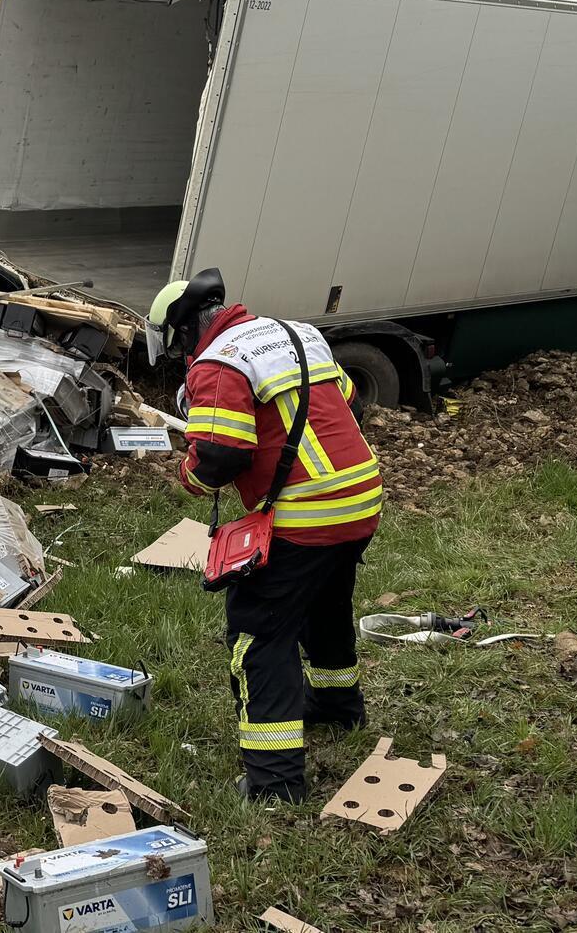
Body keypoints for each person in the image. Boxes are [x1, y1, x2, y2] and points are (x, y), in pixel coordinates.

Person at [147, 268, 383, 804]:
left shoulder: (217, 363)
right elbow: (349, 403)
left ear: (183, 332)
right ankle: (337, 707)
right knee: (325, 606)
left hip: (307, 514)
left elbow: (223, 455)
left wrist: (188, 474)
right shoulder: (297, 333)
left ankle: (274, 782)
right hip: (361, 497)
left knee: (259, 635)